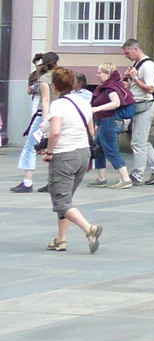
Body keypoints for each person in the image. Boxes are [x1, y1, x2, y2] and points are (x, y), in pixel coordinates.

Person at [40, 66, 103, 253]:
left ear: (54, 86)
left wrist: (49, 152)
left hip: (64, 155)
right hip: (83, 154)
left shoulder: (58, 105)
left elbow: (56, 131)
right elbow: (92, 131)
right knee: (66, 198)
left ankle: (89, 229)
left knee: (61, 201)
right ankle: (61, 239)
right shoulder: (83, 102)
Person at [122, 39, 154, 187]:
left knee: (138, 143)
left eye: (127, 53)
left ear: (136, 49)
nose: (126, 56)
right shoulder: (139, 64)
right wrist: (131, 82)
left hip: (145, 107)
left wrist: (135, 77)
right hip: (140, 107)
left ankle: (137, 175)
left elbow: (150, 89)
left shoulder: (148, 65)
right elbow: (139, 87)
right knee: (142, 142)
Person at [11, 53, 57, 193]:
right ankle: (54, 182)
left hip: (44, 115)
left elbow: (45, 100)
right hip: (59, 114)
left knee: (30, 147)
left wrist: (44, 120)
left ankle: (27, 182)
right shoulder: (61, 76)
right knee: (55, 149)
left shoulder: (44, 78)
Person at [88, 62, 134, 190]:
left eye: (99, 73)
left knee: (111, 151)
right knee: (98, 149)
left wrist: (97, 109)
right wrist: (98, 123)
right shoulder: (110, 86)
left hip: (110, 122)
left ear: (108, 74)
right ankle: (101, 178)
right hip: (106, 122)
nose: (97, 75)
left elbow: (116, 103)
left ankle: (125, 179)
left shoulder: (111, 88)